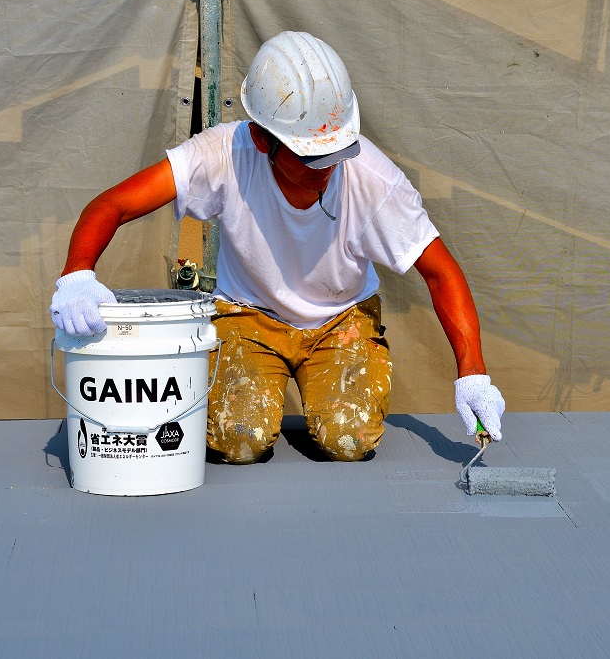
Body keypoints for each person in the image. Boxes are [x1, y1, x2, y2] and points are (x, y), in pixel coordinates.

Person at [50, 31, 505, 463]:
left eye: (337, 152)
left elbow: (441, 271)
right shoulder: (224, 154)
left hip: (341, 319)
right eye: (311, 156)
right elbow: (113, 204)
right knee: (238, 441)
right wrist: (77, 274)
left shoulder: (376, 181)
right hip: (247, 315)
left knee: (348, 440)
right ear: (261, 138)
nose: (326, 168)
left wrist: (473, 374)